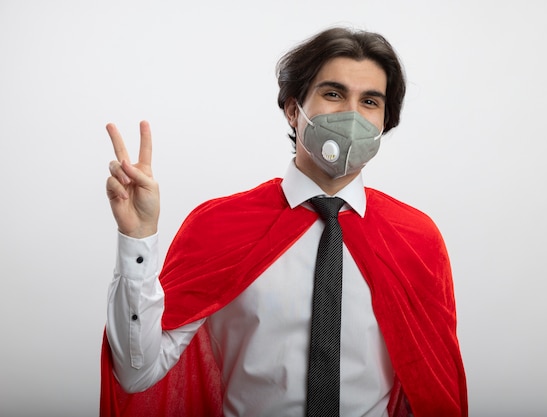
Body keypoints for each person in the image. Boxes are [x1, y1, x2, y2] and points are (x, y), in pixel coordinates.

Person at [100, 27, 468, 417]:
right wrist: (137, 238)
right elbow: (136, 374)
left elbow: (429, 391)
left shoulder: (415, 239)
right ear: (294, 109)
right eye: (333, 94)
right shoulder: (219, 225)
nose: (352, 115)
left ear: (384, 122)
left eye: (370, 101)